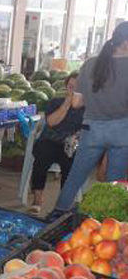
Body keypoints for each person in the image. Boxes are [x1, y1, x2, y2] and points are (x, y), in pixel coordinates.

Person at [52, 22, 128, 215]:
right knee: (113, 183)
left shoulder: (90, 64)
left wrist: (97, 100)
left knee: (75, 176)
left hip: (92, 130)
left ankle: (56, 216)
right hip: (122, 132)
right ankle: (107, 224)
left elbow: (76, 103)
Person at [29, 72, 83, 215]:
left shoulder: (87, 108)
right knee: (42, 156)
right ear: (66, 87)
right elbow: (52, 122)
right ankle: (37, 199)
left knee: (70, 162)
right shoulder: (55, 102)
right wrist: (67, 103)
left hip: (71, 145)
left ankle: (64, 204)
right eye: (71, 87)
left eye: (78, 88)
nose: (74, 90)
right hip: (50, 141)